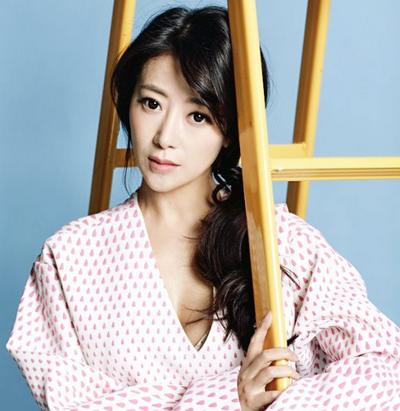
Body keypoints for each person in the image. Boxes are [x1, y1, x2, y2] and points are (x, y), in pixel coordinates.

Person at [6, 5, 400, 411]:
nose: (165, 137)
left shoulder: (281, 240)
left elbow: (386, 369)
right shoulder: (68, 259)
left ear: (229, 131)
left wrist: (284, 404)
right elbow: (75, 404)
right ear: (128, 104)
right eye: (151, 104)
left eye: (198, 115)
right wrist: (232, 400)